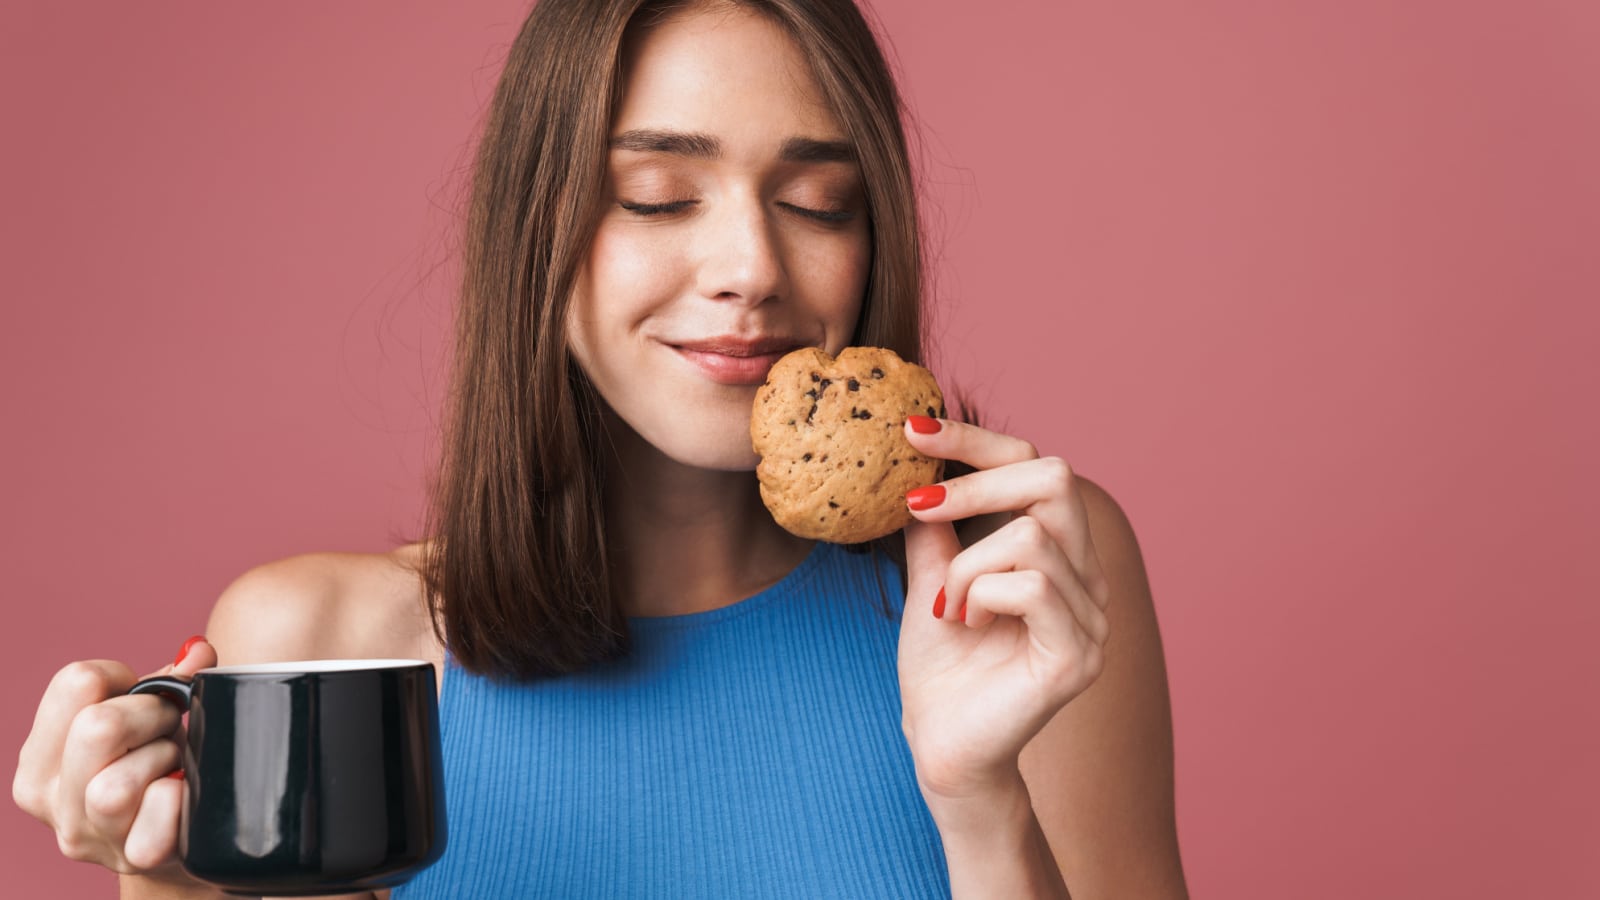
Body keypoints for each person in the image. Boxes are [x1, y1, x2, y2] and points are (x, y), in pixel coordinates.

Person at [12, 0, 1188, 897]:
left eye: (820, 203)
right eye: (658, 196)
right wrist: (166, 875)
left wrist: (979, 805)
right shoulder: (312, 648)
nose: (751, 268)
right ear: (542, 233)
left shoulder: (1019, 585)